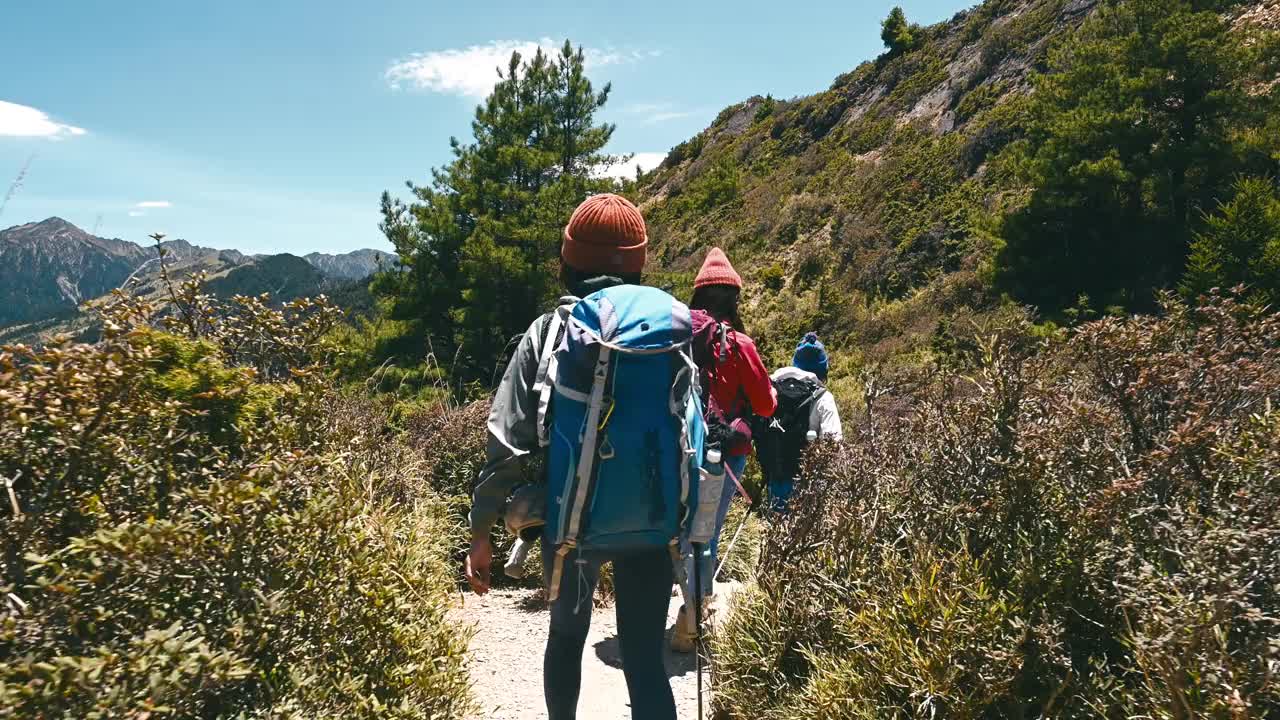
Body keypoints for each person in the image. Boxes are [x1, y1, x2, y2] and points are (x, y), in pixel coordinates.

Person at [465, 193, 682, 720]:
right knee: (645, 663)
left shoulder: (550, 330)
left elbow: (508, 435)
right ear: (639, 264)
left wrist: (482, 529)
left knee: (565, 640)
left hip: (571, 524)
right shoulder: (669, 329)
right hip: (653, 523)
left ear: (567, 263)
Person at [671, 247, 776, 653]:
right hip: (724, 451)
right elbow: (765, 404)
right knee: (707, 532)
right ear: (733, 297)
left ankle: (686, 603)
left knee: (677, 527)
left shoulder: (675, 334)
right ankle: (693, 618)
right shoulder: (739, 343)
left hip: (673, 444)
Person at [763, 332, 843, 511]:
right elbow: (835, 443)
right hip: (808, 480)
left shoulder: (772, 388)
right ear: (823, 370)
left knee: (776, 525)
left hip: (775, 472)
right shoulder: (823, 398)